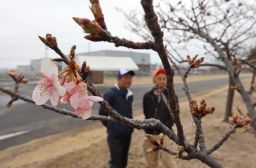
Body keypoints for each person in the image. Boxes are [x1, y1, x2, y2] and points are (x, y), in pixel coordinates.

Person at [99, 69, 135, 168]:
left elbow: (129, 113)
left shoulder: (129, 94)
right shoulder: (110, 94)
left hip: (127, 134)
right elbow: (102, 115)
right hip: (115, 136)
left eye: (130, 77)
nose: (129, 80)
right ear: (118, 79)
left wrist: (129, 128)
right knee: (116, 164)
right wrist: (113, 127)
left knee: (124, 162)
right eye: (126, 77)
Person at [143, 67, 176, 168]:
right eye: (159, 78)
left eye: (164, 78)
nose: (162, 81)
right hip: (150, 135)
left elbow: (174, 117)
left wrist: (163, 128)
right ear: (154, 80)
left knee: (169, 162)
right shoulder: (147, 96)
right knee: (151, 163)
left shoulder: (172, 97)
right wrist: (148, 129)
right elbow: (146, 114)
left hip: (165, 134)